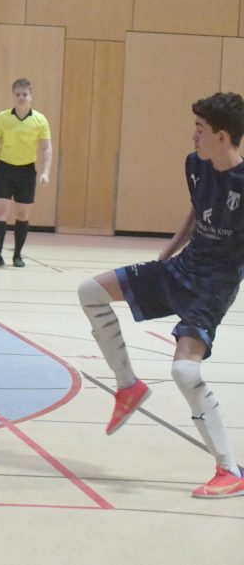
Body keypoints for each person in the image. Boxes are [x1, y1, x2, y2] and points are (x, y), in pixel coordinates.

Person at [77, 91, 244, 499]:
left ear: (223, 137)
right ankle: (127, 386)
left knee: (184, 372)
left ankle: (229, 470)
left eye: (201, 130)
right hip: (181, 268)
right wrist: (170, 249)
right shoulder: (195, 164)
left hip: (213, 284)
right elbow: (197, 207)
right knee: (90, 291)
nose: (194, 135)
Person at [0, 78, 52, 268]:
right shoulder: (3, 117)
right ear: (13, 96)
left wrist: (46, 172)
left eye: (25, 94)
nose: (21, 98)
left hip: (26, 171)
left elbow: (46, 148)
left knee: (22, 213)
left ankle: (17, 255)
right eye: (17, 94)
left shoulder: (39, 120)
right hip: (4, 168)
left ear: (31, 96)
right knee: (1, 209)